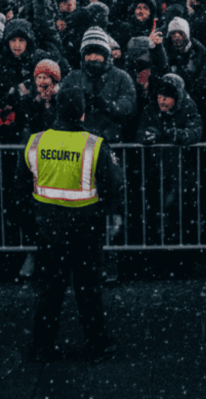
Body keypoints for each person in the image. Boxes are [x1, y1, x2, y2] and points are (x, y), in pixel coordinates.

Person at [18, 88, 125, 363]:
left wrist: (33, 221)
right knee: (88, 289)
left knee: (50, 289)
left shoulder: (36, 141)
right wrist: (108, 213)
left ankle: (42, 346)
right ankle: (97, 345)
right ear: (82, 112)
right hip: (85, 228)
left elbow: (20, 185)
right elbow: (114, 185)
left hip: (49, 227)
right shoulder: (94, 144)